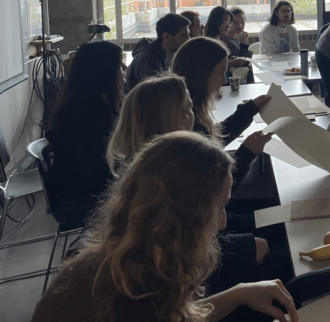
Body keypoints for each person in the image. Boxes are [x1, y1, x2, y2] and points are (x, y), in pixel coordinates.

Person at [33, 132, 298, 322]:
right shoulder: (130, 300)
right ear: (184, 218)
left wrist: (239, 294)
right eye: (217, 209)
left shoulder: (130, 259)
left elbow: (174, 315)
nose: (223, 222)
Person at [105, 72, 282, 296]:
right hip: (203, 277)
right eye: (187, 109)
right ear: (173, 118)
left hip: (210, 254)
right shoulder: (167, 172)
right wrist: (243, 247)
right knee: (280, 253)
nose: (193, 116)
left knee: (276, 220)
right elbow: (180, 253)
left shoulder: (155, 160)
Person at [171, 37, 272, 193]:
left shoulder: (186, 108)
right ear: (201, 75)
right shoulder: (186, 120)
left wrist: (249, 109)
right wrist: (246, 152)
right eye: (220, 73)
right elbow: (216, 188)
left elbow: (213, 139)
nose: (224, 80)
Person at [44, 40, 124, 229]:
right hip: (76, 202)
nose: (124, 70)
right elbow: (92, 174)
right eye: (119, 66)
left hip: (77, 193)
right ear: (104, 71)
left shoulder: (84, 101)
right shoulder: (89, 110)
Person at [107, 74, 195, 172]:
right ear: (179, 119)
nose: (192, 114)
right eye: (190, 108)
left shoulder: (130, 170)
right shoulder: (181, 172)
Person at [124, 12, 190, 93]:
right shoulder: (148, 58)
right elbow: (156, 96)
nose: (188, 39)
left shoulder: (170, 54)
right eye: (183, 36)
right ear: (167, 37)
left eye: (188, 35)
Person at [206, 6, 250, 72]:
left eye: (229, 23)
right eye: (226, 22)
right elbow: (213, 69)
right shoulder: (211, 42)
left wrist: (230, 60)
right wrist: (243, 44)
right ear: (217, 22)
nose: (228, 26)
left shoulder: (221, 38)